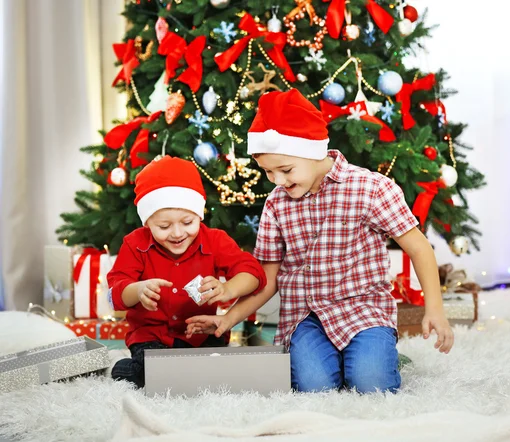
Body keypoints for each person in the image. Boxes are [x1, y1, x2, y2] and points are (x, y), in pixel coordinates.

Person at [186, 89, 454, 393]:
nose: (277, 181)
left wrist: (434, 308)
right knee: (314, 387)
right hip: (305, 317)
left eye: (285, 170)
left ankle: (380, 354)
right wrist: (227, 319)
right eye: (268, 172)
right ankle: (345, 359)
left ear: (314, 151)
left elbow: (418, 248)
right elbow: (267, 280)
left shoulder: (371, 188)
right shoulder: (276, 204)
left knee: (372, 384)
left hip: (363, 310)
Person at [108, 156, 266, 388]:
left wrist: (227, 288)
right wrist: (137, 290)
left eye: (188, 222)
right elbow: (115, 293)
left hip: (202, 335)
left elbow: (254, 274)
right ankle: (128, 369)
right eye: (164, 226)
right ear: (147, 223)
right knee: (156, 377)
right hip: (152, 337)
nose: (177, 233)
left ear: (199, 215)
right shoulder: (134, 244)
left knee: (215, 376)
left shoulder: (215, 240)